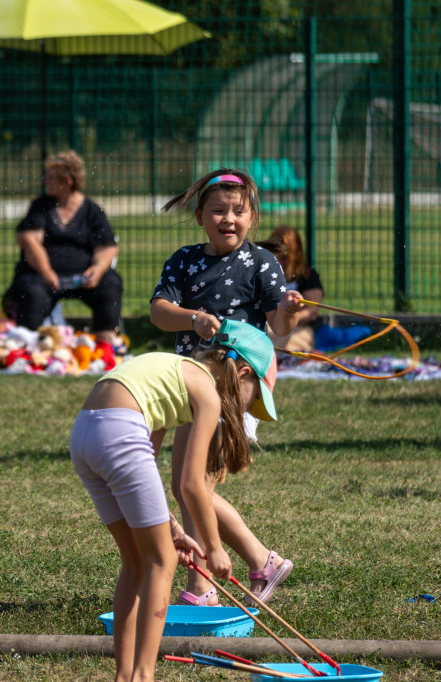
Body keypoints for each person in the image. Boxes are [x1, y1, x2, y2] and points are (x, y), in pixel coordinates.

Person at [70, 319, 275, 682]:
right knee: (161, 562)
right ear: (243, 372)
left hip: (85, 435)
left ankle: (124, 675)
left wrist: (173, 526)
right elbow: (192, 485)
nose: (248, 408)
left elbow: (143, 460)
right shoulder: (208, 394)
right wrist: (214, 549)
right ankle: (143, 676)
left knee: (135, 563)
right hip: (119, 430)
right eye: (255, 396)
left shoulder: (171, 371)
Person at [150, 169, 303, 606]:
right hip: (192, 381)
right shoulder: (183, 260)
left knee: (195, 484)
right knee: (187, 485)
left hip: (238, 379)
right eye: (218, 210)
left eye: (238, 211)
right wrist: (192, 318)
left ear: (252, 217)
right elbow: (160, 311)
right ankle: (262, 560)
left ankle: (202, 587)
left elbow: (278, 329)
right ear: (200, 216)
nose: (228, 218)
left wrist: (289, 311)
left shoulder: (261, 263)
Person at [4, 150, 122, 344]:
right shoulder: (41, 206)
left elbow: (107, 246)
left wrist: (98, 269)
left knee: (111, 282)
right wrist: (46, 271)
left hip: (82, 278)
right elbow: (29, 240)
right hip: (44, 276)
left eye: (50, 178)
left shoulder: (92, 210)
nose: (45, 181)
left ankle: (105, 342)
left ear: (67, 182)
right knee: (30, 288)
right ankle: (29, 342)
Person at [265, 225, 324, 352]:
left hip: (299, 328)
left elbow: (311, 312)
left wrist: (285, 318)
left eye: (285, 257)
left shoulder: (307, 275)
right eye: (276, 255)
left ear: (295, 253)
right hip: (270, 325)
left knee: (282, 337)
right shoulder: (266, 274)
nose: (280, 261)